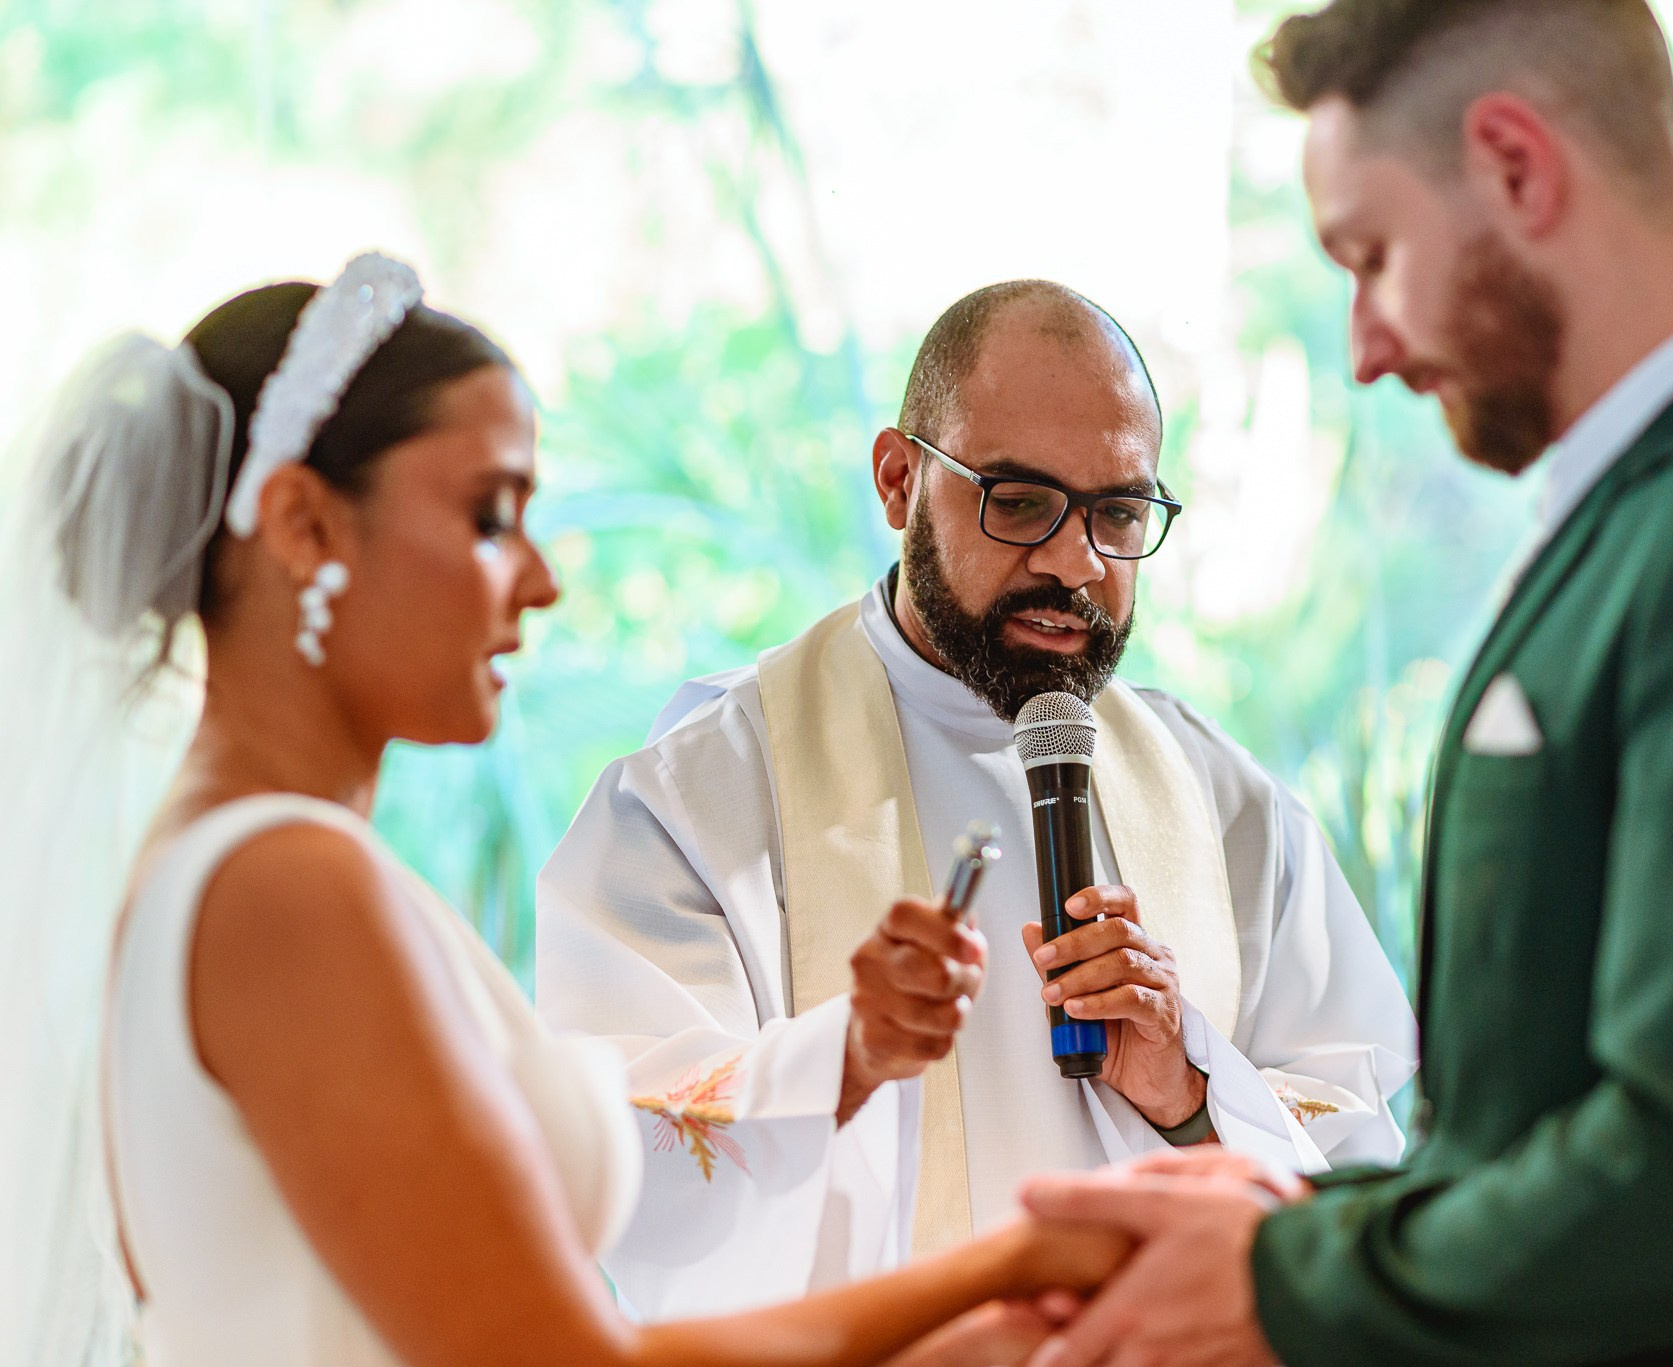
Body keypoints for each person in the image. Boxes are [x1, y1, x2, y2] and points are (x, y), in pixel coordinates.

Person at [1018, 3, 1673, 1365]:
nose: (1365, 345)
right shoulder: (1668, 519)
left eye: (1372, 257)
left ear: (1513, 164)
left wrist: (1288, 1271)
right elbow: (1530, 1136)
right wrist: (1273, 1201)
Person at [0, 254, 1127, 1367]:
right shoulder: (287, 889)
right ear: (304, 525)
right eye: (491, 515)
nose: (540, 579)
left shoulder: (230, 862)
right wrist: (1010, 1262)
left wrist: (852, 1052)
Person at [536, 279, 1418, 1318]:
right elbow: (610, 1158)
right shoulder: (706, 796)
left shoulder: (1224, 804)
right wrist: (847, 1057)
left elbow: (1360, 1169)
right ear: (898, 480)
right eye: (1019, 501)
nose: (1073, 560)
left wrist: (1191, 1092)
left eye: (1119, 511)